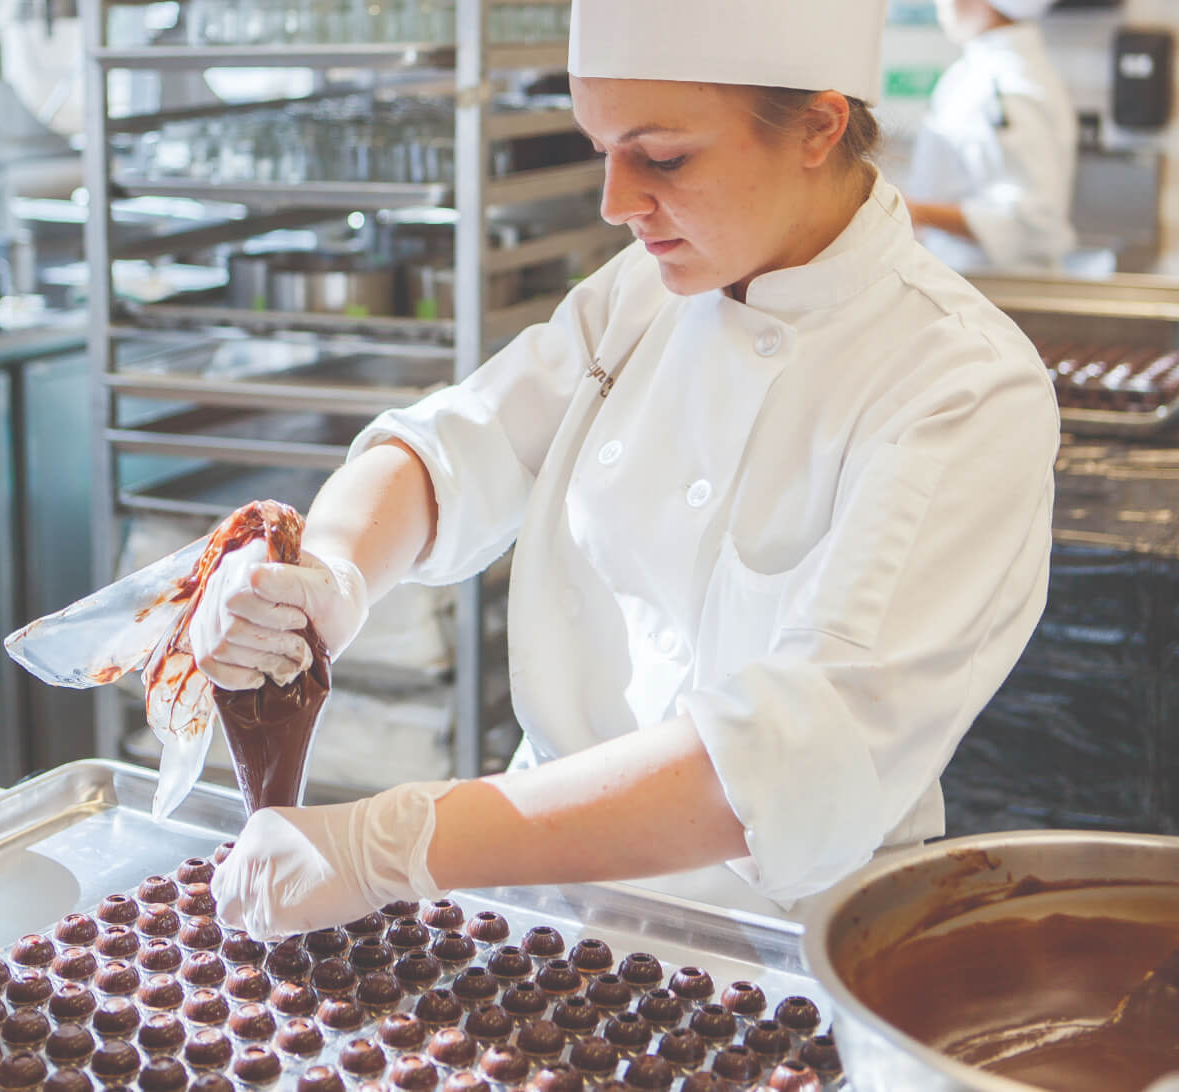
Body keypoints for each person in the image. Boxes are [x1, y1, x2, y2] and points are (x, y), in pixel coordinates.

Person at [192, 0, 1060, 940]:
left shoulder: (962, 388)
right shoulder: (644, 289)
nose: (615, 201)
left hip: (778, 951)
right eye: (601, 147)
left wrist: (399, 843)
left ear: (818, 125)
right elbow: (455, 444)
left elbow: (792, 756)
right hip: (536, 912)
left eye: (664, 156)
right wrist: (325, 572)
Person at [905, 0, 1077, 272]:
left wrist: (913, 211)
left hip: (996, 289)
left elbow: (1030, 221)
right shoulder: (983, 70)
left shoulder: (1010, 83)